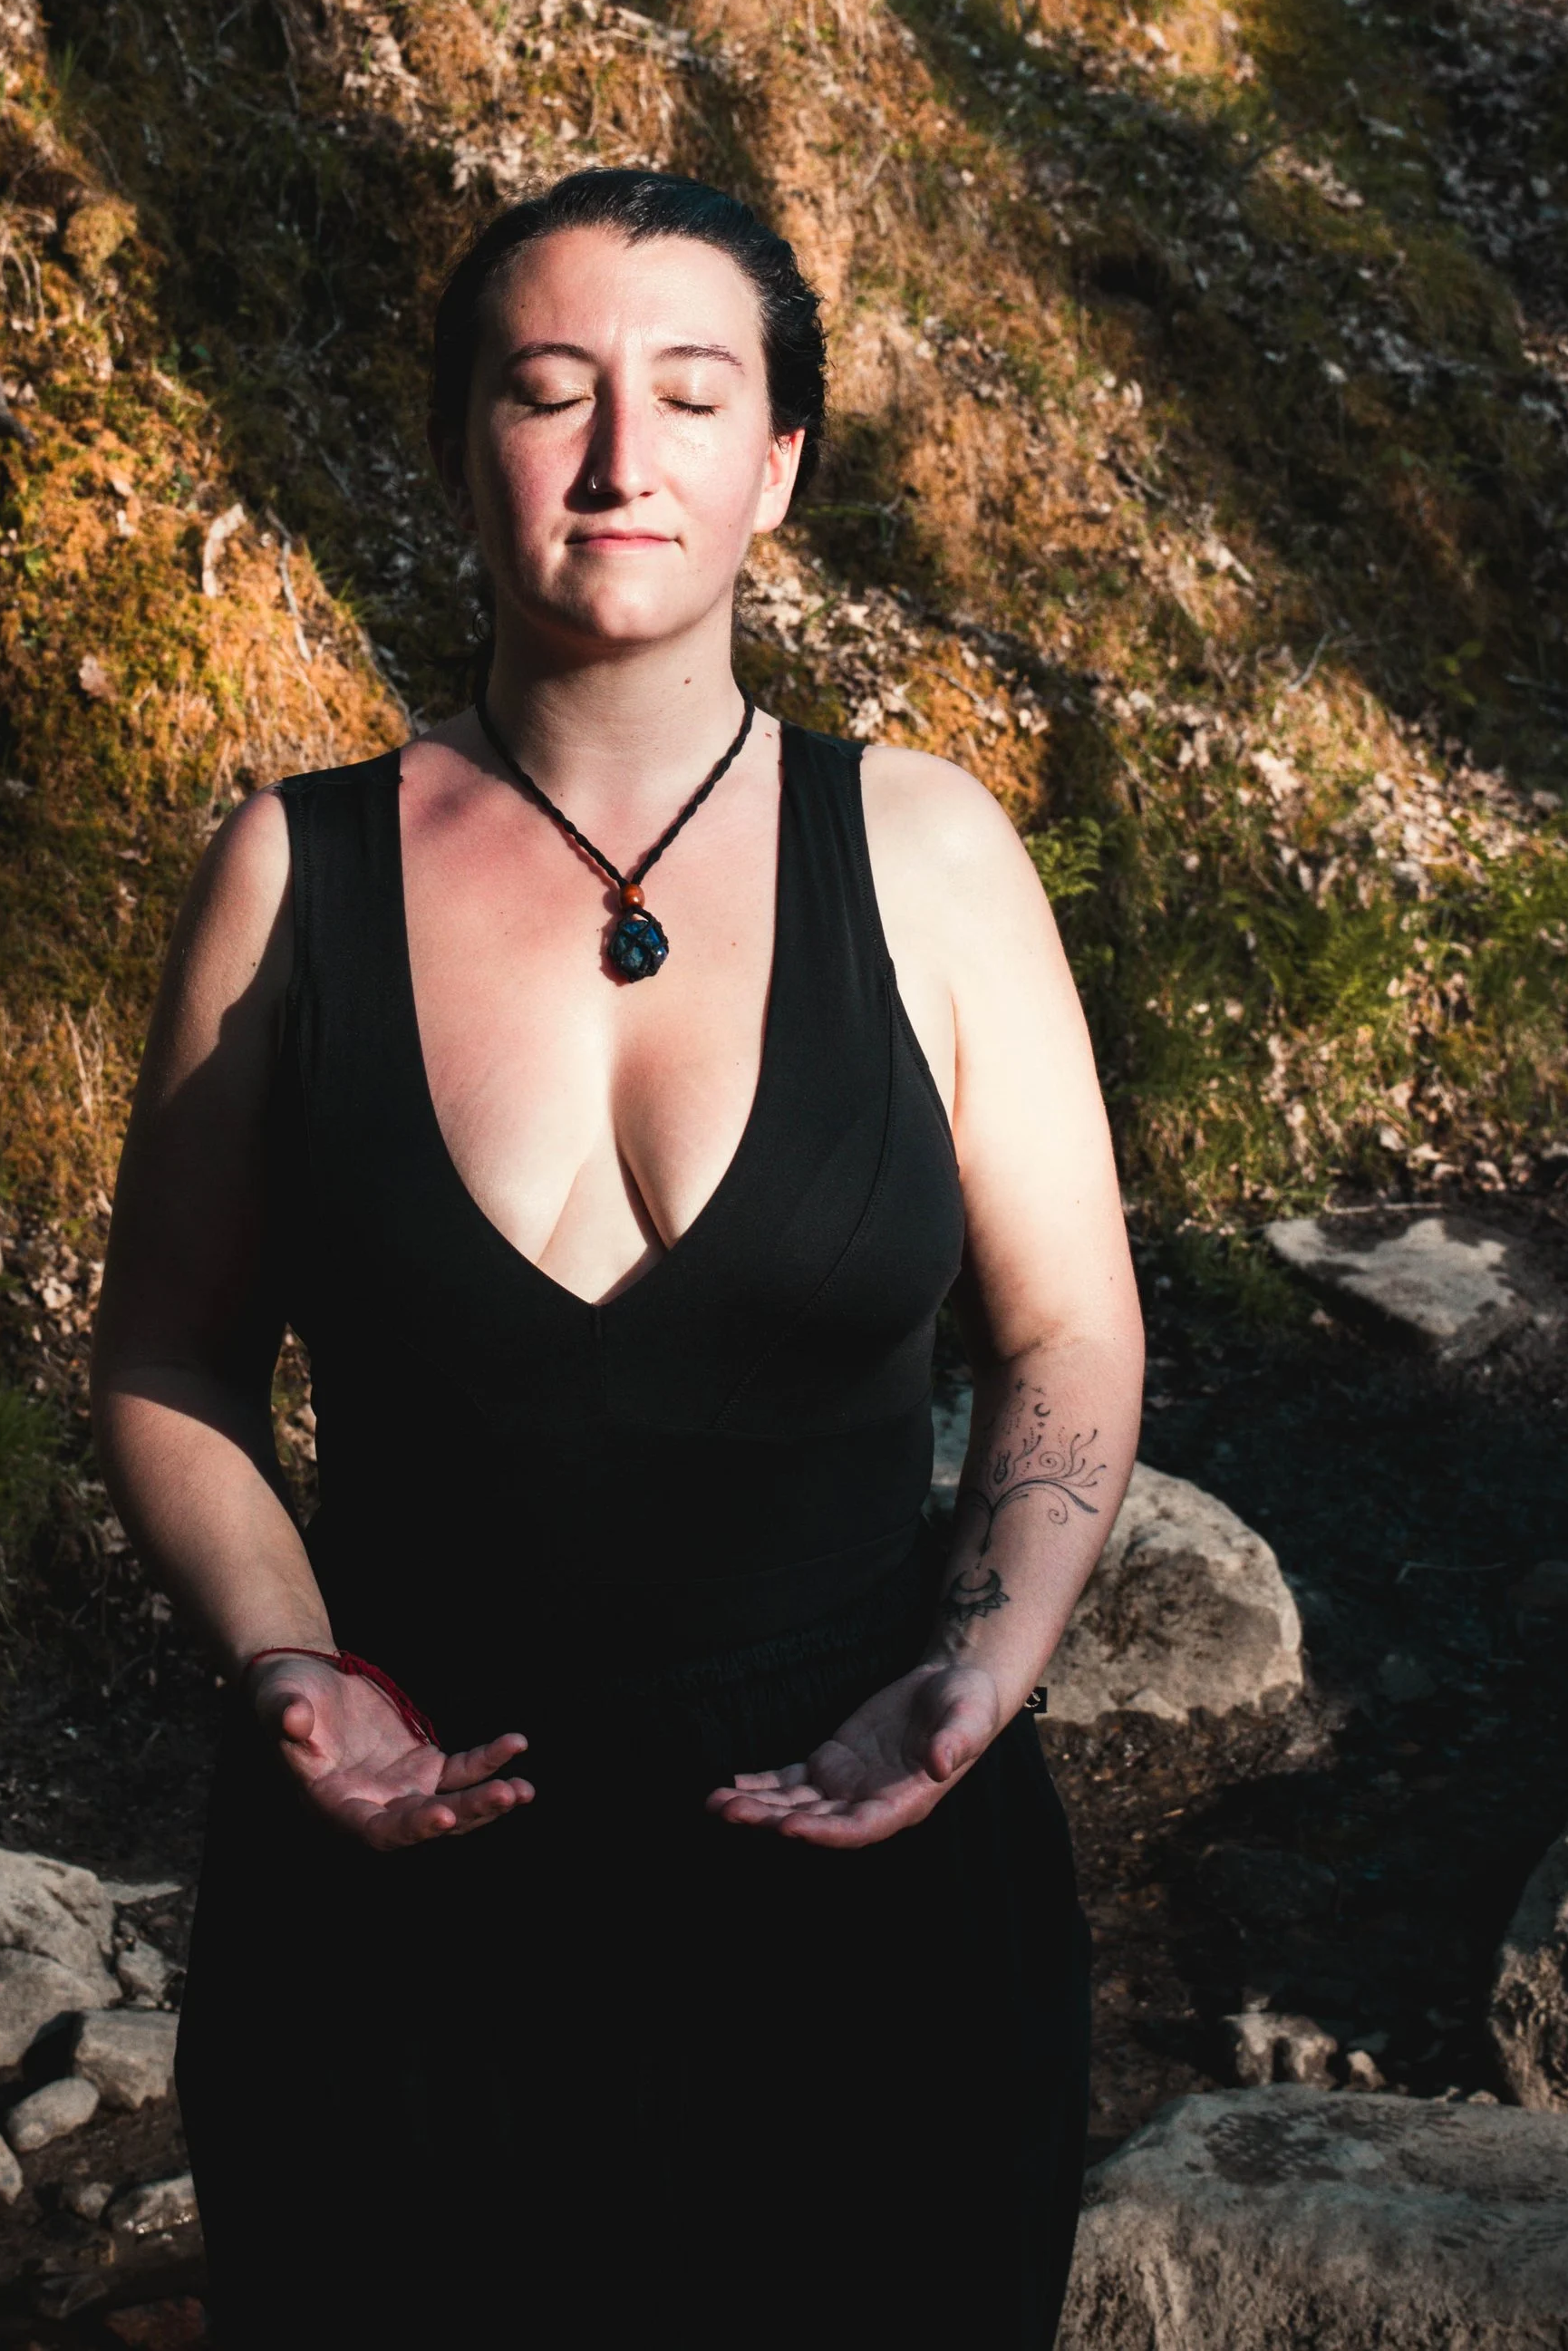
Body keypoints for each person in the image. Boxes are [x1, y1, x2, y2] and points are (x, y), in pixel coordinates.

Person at [92, 167, 1143, 2344]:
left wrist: (983, 1660)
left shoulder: (930, 855)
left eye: (684, 393)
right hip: (403, 1886)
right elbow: (168, 1358)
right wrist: (295, 1665)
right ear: (462, 442)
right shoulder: (288, 875)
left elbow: (1063, 1332)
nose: (612, 458)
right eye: (547, 390)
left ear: (773, 464)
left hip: (862, 1869)